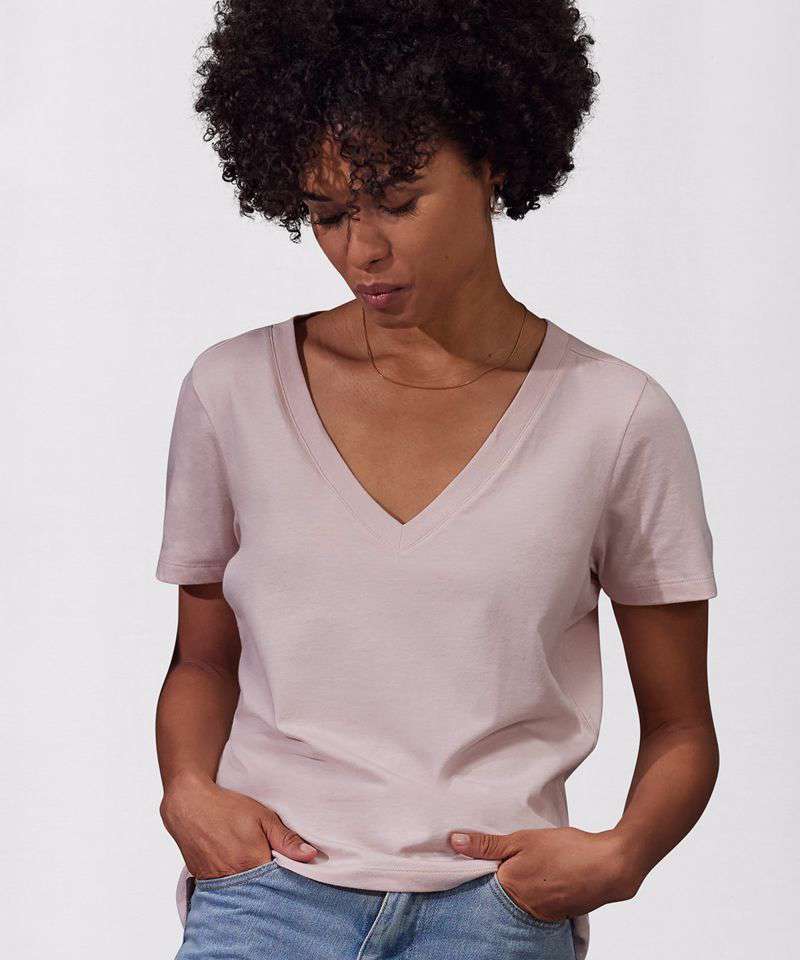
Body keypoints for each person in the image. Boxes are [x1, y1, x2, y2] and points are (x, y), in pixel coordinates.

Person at [154, 3, 720, 959]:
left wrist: (621, 856)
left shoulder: (616, 417)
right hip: (268, 902)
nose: (361, 250)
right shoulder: (233, 390)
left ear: (491, 161)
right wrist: (187, 796)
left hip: (490, 912)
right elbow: (202, 661)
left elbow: (681, 726)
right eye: (328, 215)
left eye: (397, 200)